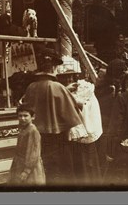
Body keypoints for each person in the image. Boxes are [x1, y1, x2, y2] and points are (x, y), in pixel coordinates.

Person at [20, 49, 87, 186]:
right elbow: (72, 115)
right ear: (54, 67)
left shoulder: (31, 87)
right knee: (61, 172)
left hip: (36, 137)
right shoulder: (58, 87)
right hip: (58, 139)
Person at [8, 105, 46, 186]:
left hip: (30, 167)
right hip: (20, 163)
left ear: (33, 117)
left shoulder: (32, 131)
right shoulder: (23, 129)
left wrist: (26, 171)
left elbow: (34, 153)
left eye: (25, 116)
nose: (22, 118)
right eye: (20, 116)